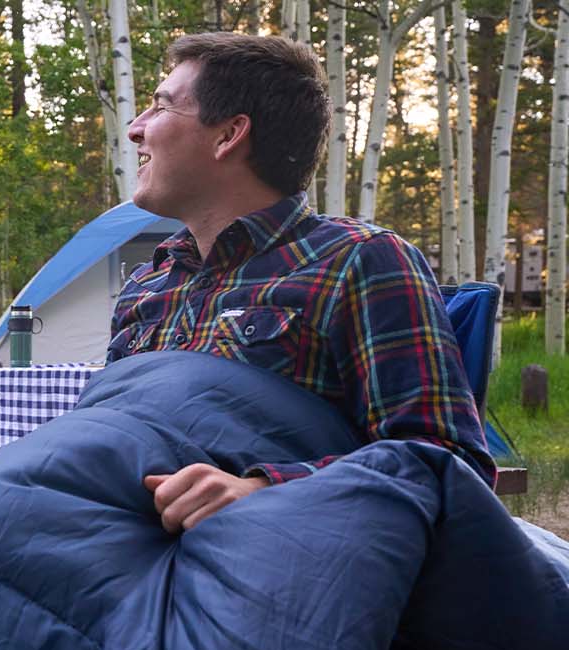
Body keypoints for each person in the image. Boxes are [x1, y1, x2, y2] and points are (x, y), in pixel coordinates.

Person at [113, 32, 494, 534]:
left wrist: (264, 490)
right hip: (121, 558)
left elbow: (450, 462)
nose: (136, 130)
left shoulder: (358, 261)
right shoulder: (146, 285)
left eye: (160, 108)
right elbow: (109, 441)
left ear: (228, 135)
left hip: (276, 569)